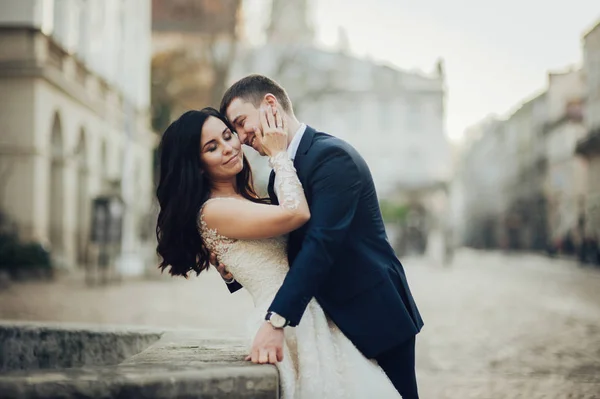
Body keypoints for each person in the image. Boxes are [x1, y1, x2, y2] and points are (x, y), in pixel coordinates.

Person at [156, 106, 402, 398]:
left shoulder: (241, 197)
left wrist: (231, 267)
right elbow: (296, 214)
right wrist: (278, 153)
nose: (229, 147)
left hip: (308, 312)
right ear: (197, 164)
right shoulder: (214, 210)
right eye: (212, 147)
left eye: (227, 135)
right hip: (283, 319)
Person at [219, 75, 424, 398]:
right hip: (329, 323)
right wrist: (232, 257)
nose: (242, 138)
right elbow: (287, 244)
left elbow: (321, 244)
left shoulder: (332, 157)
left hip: (373, 314)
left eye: (242, 123)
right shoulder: (279, 172)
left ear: (271, 104)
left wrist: (276, 322)